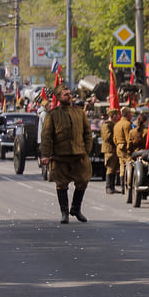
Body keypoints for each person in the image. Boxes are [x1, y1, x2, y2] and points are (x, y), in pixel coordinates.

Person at [39, 86, 93, 224]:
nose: (69, 96)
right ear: (58, 97)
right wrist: (46, 154)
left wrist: (86, 150)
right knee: (61, 184)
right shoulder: (52, 115)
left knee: (83, 180)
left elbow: (87, 133)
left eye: (69, 94)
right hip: (60, 156)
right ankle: (64, 213)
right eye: (65, 94)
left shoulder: (80, 113)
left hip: (79, 155)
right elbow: (46, 136)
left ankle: (76, 208)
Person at [114, 108, 135, 195]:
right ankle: (128, 186)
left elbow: (114, 139)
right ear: (127, 114)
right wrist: (130, 149)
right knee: (131, 165)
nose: (132, 115)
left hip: (119, 148)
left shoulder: (117, 124)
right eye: (131, 113)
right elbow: (128, 139)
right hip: (125, 149)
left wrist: (118, 145)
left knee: (122, 167)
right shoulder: (127, 124)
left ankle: (123, 187)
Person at [102, 108, 121, 193]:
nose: (118, 117)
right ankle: (108, 186)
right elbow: (107, 137)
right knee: (110, 168)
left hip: (114, 149)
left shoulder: (114, 124)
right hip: (109, 149)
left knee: (114, 168)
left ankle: (112, 187)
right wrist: (117, 139)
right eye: (117, 115)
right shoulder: (106, 125)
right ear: (113, 116)